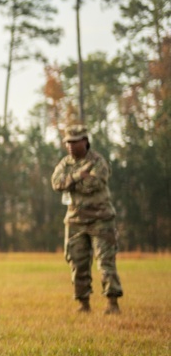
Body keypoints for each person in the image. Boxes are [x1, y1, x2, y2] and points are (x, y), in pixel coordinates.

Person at [50, 124, 123, 314]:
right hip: (75, 221)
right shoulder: (66, 163)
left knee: (105, 262)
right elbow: (56, 183)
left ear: (85, 141)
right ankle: (83, 304)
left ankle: (112, 303)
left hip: (101, 220)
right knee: (77, 262)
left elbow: (94, 184)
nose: (70, 146)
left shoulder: (98, 162)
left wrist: (71, 182)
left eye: (74, 142)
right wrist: (77, 176)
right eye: (68, 143)